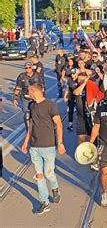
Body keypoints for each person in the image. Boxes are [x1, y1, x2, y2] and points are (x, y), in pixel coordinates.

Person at [20, 83, 66, 215]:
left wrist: (60, 143)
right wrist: (25, 142)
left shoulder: (50, 105)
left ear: (35, 91)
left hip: (48, 146)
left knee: (49, 173)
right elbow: (31, 126)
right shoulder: (32, 106)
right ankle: (44, 202)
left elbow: (58, 123)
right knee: (39, 175)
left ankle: (55, 188)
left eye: (29, 90)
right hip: (34, 147)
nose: (27, 92)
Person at [12, 62, 43, 131]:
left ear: (32, 68)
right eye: (26, 68)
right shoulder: (21, 76)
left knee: (37, 112)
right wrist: (14, 98)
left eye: (29, 67)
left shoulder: (37, 75)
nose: (28, 69)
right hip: (25, 97)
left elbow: (41, 87)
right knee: (27, 113)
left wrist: (41, 97)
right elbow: (18, 88)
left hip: (35, 97)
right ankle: (28, 130)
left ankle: (37, 127)